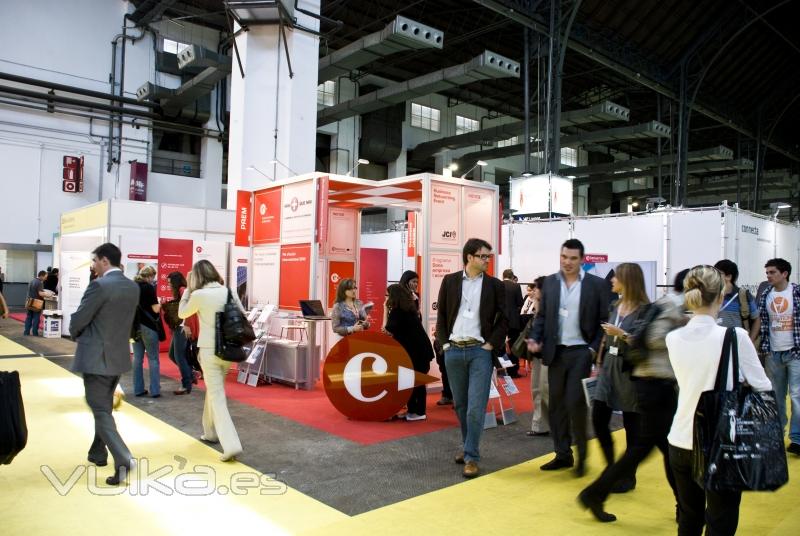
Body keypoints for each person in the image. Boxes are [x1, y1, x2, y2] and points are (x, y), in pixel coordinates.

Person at [666, 265, 771, 535]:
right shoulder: (735, 336)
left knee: (689, 517)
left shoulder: (673, 337)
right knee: (721, 521)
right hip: (722, 441)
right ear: (721, 296)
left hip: (680, 438)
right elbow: (763, 387)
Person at [578, 267, 688, 523]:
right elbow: (648, 339)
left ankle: (598, 492)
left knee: (649, 445)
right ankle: (684, 505)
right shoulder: (670, 307)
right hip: (650, 380)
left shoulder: (654, 306)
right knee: (655, 446)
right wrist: (682, 333)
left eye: (616, 276)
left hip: (645, 380)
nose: (612, 280)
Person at [527, 239, 610, 476]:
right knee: (555, 406)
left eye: (573, 258)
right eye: (564, 257)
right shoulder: (551, 283)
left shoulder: (596, 285)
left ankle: (582, 455)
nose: (568, 262)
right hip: (556, 353)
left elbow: (604, 320)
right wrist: (535, 337)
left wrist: (593, 350)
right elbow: (542, 316)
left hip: (581, 353)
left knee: (575, 404)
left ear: (582, 260)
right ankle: (563, 454)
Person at [435, 238, 507, 478]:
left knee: (476, 407)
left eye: (488, 256)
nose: (487, 260)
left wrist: (490, 344)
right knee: (461, 405)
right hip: (453, 351)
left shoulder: (495, 285)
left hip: (479, 352)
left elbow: (505, 318)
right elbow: (442, 315)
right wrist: (444, 344)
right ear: (469, 257)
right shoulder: (450, 281)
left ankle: (471, 457)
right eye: (483, 256)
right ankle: (468, 448)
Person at [69, 243, 140, 486]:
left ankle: (123, 458)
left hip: (96, 357)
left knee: (99, 408)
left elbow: (80, 318)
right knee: (104, 407)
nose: (93, 265)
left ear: (105, 261)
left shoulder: (99, 286)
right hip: (118, 356)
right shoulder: (132, 287)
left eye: (95, 261)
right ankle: (98, 452)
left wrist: (74, 331)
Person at [179, 259, 246, 462]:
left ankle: (231, 444)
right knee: (214, 391)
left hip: (209, 351)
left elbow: (182, 313)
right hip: (228, 351)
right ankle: (209, 432)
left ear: (198, 277)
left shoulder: (198, 295)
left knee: (217, 396)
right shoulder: (228, 291)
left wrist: (187, 291)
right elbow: (242, 314)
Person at [591, 263, 650, 491]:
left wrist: (623, 334)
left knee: (632, 424)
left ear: (627, 280)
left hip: (630, 370)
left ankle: (627, 476)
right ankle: (612, 467)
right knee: (598, 418)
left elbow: (646, 343)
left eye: (615, 278)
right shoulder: (615, 305)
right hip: (609, 366)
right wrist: (598, 361)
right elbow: (606, 338)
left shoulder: (645, 309)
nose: (612, 281)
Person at [758, 258, 800, 455]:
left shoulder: (797, 292)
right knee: (775, 396)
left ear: (785, 274)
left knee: (797, 396)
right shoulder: (765, 294)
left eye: (772, 272)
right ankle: (776, 435)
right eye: (767, 272)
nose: (768, 276)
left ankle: (797, 439)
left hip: (796, 352)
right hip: (773, 352)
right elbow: (761, 321)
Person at [385, 283, 434, 421]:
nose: (386, 298)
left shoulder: (397, 311)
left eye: (387, 295)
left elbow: (388, 328)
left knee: (414, 382)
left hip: (415, 352)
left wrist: (385, 309)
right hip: (421, 350)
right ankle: (415, 411)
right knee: (416, 381)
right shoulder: (409, 309)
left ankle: (417, 412)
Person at [525, 276, 550, 437]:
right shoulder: (536, 308)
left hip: (549, 357)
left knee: (547, 390)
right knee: (536, 389)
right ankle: (540, 425)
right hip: (537, 356)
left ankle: (558, 424)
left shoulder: (553, 309)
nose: (533, 291)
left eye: (536, 288)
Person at [132, 266, 162, 398]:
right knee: (153, 358)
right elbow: (155, 309)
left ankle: (138, 389)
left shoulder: (132, 286)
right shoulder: (148, 288)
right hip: (148, 326)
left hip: (134, 327)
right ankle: (155, 390)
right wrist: (160, 303)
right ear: (150, 276)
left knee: (137, 358)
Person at [164, 271, 194, 395]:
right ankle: (190, 374)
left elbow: (188, 310)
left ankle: (186, 384)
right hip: (179, 326)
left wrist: (186, 325)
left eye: (170, 282)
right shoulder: (181, 291)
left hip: (182, 327)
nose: (168, 285)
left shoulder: (183, 290)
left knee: (179, 356)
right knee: (173, 355)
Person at [713, 259, 759, 339]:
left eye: (718, 273)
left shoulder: (743, 295)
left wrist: (750, 342)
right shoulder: (711, 295)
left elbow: (756, 320)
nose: (713, 276)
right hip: (716, 343)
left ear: (729, 276)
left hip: (738, 344)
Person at [502, 268, 524, 377]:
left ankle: (501, 370)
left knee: (501, 346)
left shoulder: (498, 285)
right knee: (514, 346)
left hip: (500, 321)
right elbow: (520, 302)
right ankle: (513, 372)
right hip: (513, 321)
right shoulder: (516, 286)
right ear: (512, 277)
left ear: (503, 276)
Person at [23, 270, 47, 336]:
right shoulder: (40, 283)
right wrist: (48, 294)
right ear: (41, 276)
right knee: (36, 318)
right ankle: (35, 333)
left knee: (29, 317)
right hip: (36, 303)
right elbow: (40, 293)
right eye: (45, 276)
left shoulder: (31, 281)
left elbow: (28, 292)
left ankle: (26, 332)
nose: (46, 278)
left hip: (29, 301)